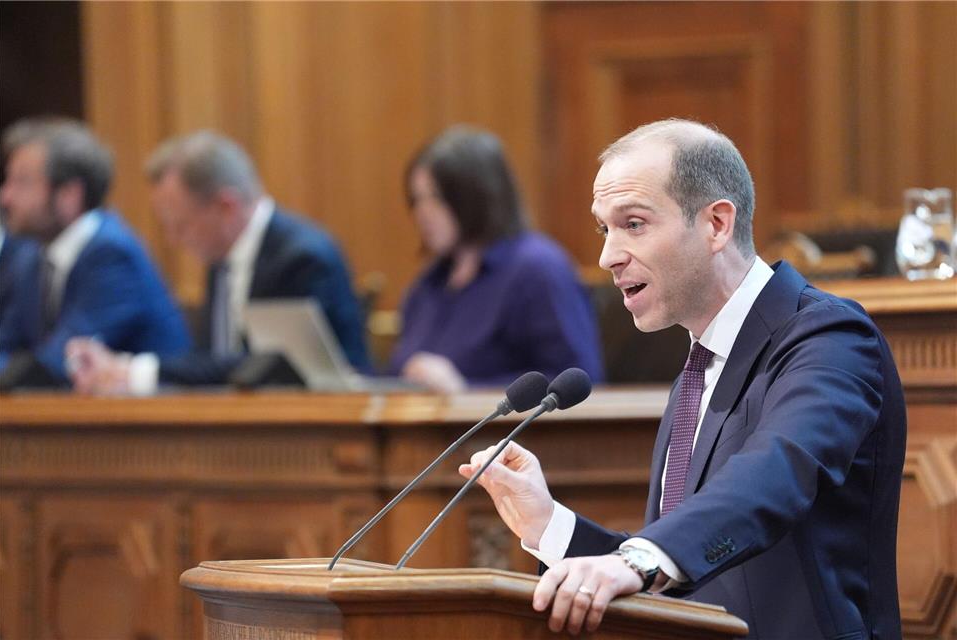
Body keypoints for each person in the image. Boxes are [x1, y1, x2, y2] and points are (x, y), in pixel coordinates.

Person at [460, 119, 905, 638]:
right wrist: (548, 525)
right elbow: (686, 577)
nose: (608, 256)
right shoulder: (697, 371)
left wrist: (638, 562)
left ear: (716, 224)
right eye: (605, 229)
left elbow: (775, 473)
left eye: (634, 224)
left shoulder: (830, 337)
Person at [68, 130, 369, 394]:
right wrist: (124, 367)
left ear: (226, 207)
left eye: (181, 225)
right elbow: (211, 360)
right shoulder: (221, 262)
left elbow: (273, 365)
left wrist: (138, 373)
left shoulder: (303, 257)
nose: (173, 240)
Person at [389, 126, 604, 392]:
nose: (422, 212)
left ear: (478, 194)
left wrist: (465, 390)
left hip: (507, 433)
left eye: (436, 197)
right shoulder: (430, 281)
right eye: (417, 199)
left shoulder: (539, 269)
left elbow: (580, 381)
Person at [0, 118, 190, 380]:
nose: (5, 197)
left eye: (22, 182)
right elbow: (6, 343)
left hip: (159, 414)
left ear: (70, 195)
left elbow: (60, 363)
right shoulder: (30, 257)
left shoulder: (111, 254)